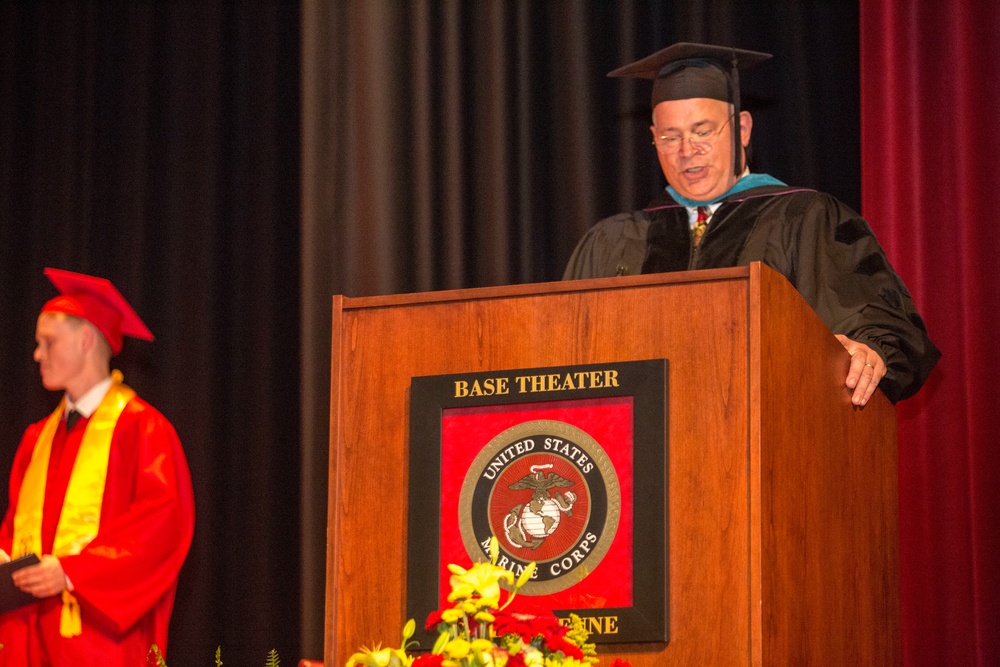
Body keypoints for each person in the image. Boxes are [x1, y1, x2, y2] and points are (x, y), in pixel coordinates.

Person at [563, 42, 940, 405]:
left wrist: (870, 351)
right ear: (653, 138)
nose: (686, 150)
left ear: (742, 128)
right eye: (669, 136)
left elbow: (886, 328)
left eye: (702, 131)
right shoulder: (611, 240)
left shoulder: (806, 219)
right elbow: (562, 353)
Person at [0, 268, 195, 666]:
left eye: (48, 342)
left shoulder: (143, 429)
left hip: (101, 643)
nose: (37, 354)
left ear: (86, 340)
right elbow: (14, 529)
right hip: (29, 640)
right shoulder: (37, 438)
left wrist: (72, 572)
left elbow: (161, 530)